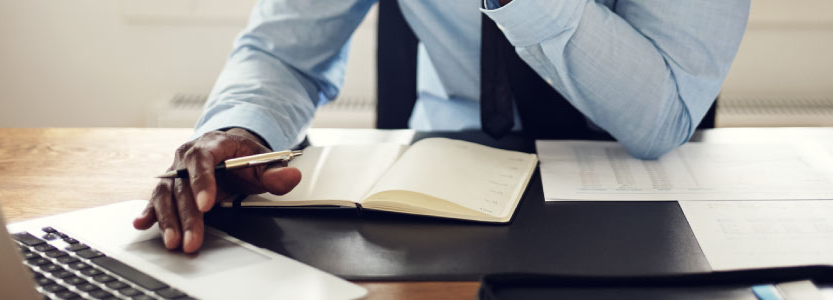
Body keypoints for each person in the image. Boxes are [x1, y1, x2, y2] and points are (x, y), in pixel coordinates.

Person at [133, 0, 750, 253]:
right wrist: (243, 131)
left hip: (642, 210)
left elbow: (663, 114)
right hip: (437, 199)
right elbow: (284, 50)